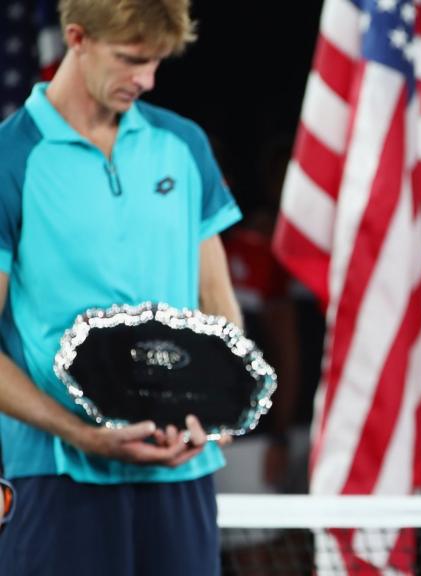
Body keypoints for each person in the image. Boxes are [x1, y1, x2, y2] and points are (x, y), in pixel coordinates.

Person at [0, 1, 242, 574]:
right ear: (76, 38)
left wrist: (220, 405)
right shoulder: (10, 159)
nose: (147, 80)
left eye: (157, 62)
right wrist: (81, 434)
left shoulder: (184, 145)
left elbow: (218, 303)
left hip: (180, 475)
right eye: (132, 60)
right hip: (53, 476)